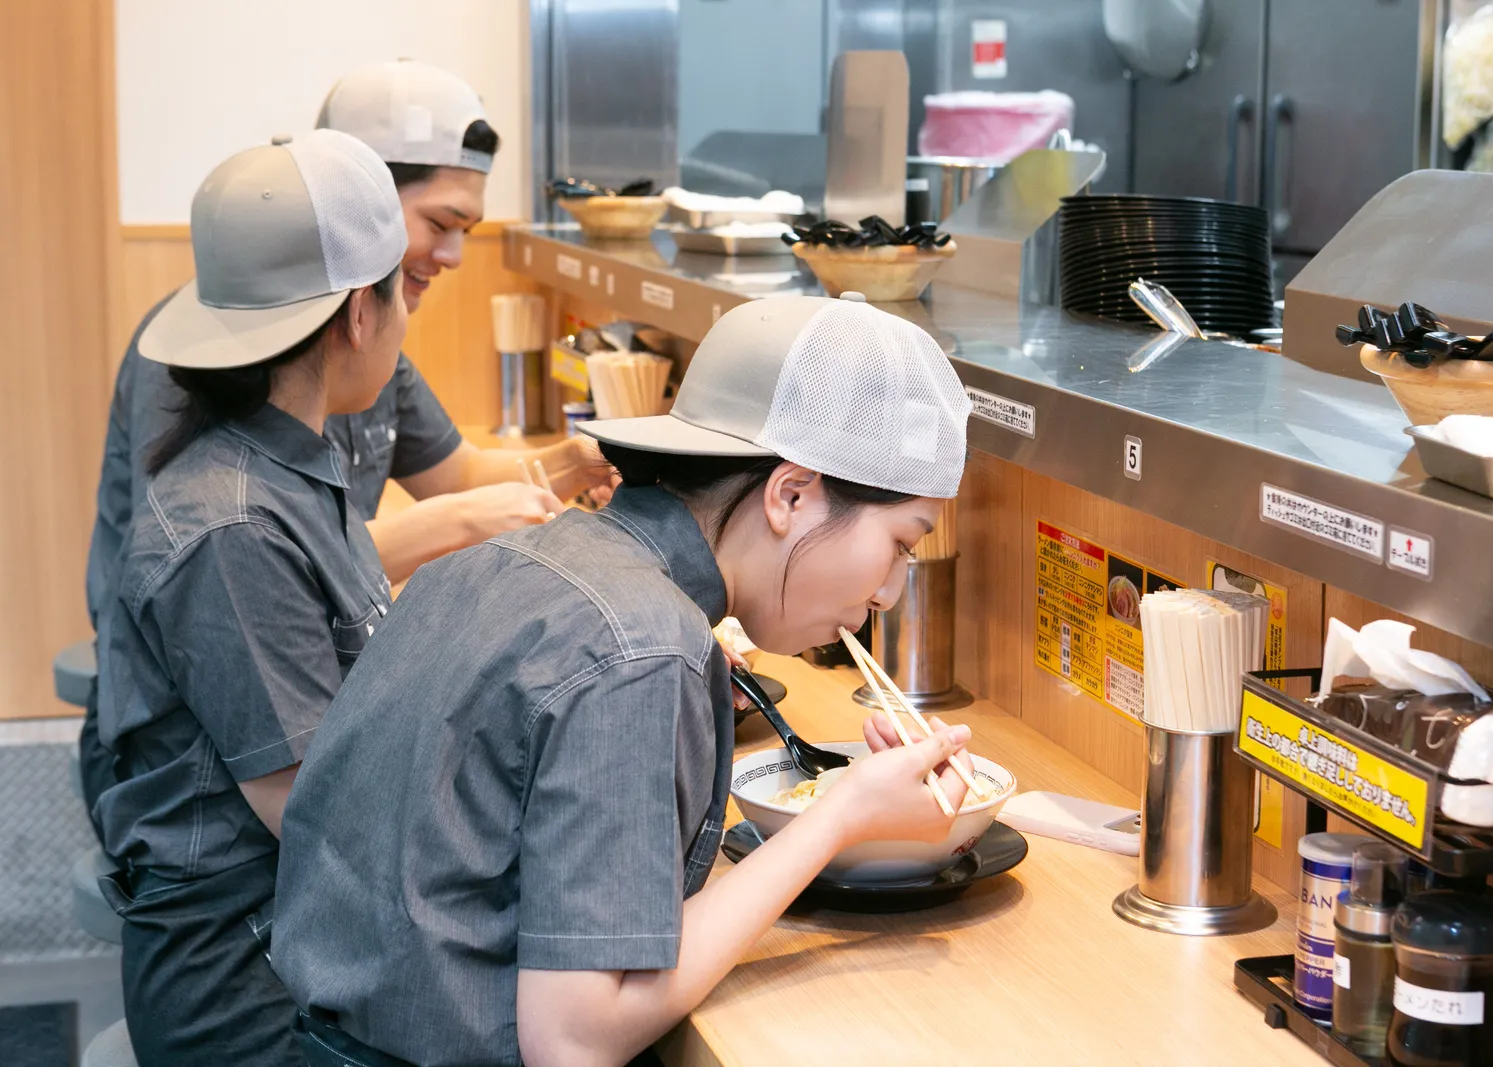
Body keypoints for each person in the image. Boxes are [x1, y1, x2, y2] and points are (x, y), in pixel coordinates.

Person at [271, 294, 976, 1067]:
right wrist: (841, 815)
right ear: (792, 494)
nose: (888, 592)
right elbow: (575, 1039)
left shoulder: (518, 561)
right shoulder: (643, 645)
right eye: (903, 543)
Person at [80, 58, 608, 825]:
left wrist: (580, 459)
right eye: (437, 226)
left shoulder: (329, 384)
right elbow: (311, 802)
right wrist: (450, 529)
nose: (451, 257)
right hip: (214, 819)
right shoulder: (227, 482)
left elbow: (454, 471)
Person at [93, 130, 410, 1067]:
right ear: (361, 312)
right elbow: (311, 808)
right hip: (248, 985)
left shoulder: (285, 463)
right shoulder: (230, 523)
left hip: (301, 940)